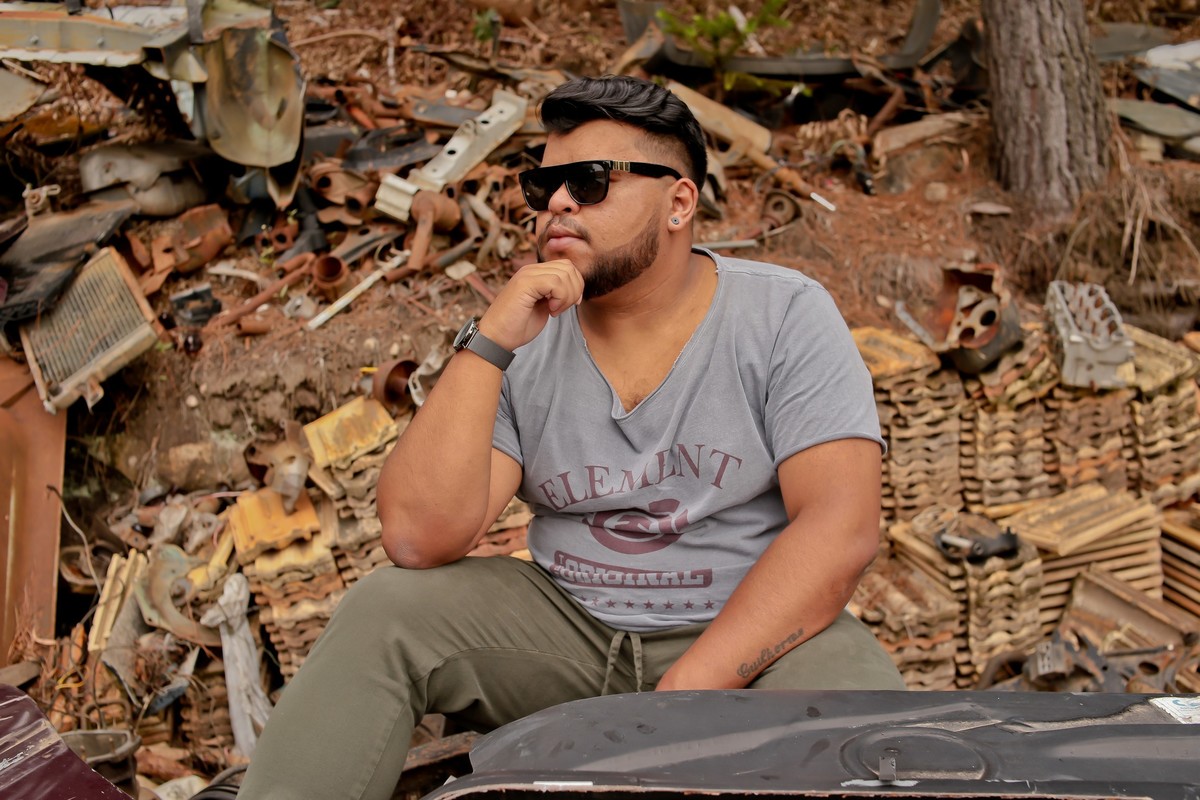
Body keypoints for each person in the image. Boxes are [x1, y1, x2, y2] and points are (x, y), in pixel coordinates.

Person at [239, 75, 903, 800]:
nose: (557, 202)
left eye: (589, 182)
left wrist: (688, 691)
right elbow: (417, 538)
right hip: (570, 629)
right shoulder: (520, 335)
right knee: (385, 612)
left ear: (679, 203)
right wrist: (489, 342)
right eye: (544, 185)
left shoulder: (782, 316)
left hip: (752, 632)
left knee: (860, 730)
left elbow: (839, 527)